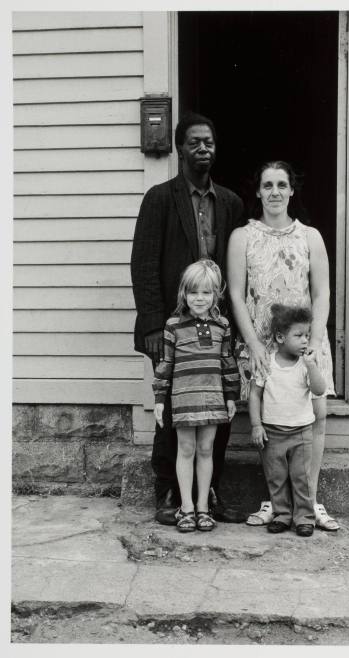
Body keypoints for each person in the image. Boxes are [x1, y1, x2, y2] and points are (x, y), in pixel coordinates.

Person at [131, 112, 245, 525]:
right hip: (171, 330)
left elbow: (238, 269)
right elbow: (143, 266)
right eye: (195, 142)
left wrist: (236, 329)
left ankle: (208, 493)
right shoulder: (160, 199)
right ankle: (169, 492)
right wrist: (151, 327)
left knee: (216, 411)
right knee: (173, 413)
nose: (203, 149)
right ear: (180, 148)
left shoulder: (230, 203)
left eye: (209, 142)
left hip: (215, 330)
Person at [227, 160, 340, 531]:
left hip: (305, 345)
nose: (275, 192)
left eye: (282, 185)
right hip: (264, 347)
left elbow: (322, 292)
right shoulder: (243, 236)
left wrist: (317, 339)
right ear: (257, 192)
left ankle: (310, 500)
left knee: (316, 416)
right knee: (269, 420)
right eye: (267, 185)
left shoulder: (310, 237)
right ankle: (275, 502)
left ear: (292, 190)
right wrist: (253, 344)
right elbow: (237, 296)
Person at [153, 260, 240, 532]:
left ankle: (203, 506)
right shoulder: (173, 326)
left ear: (216, 294)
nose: (199, 298)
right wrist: (159, 399)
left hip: (212, 397)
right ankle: (186, 507)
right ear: (184, 294)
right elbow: (165, 365)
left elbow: (227, 362)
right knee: (186, 449)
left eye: (206, 292)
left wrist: (230, 397)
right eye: (193, 292)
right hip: (184, 399)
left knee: (206, 450)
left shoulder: (222, 325)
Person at [249, 304, 325, 537]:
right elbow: (254, 394)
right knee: (277, 478)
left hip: (301, 433)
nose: (305, 341)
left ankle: (304, 517)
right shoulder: (267, 363)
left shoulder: (306, 364)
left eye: (307, 336)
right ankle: (282, 515)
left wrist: (312, 367)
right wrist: (256, 425)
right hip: (273, 433)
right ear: (280, 337)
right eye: (299, 336)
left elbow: (320, 390)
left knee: (301, 478)